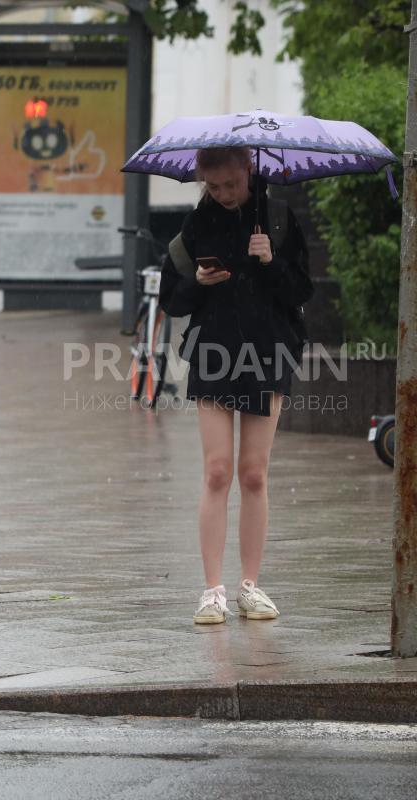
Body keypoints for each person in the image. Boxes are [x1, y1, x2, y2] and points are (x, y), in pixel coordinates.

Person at [159, 146, 313, 626]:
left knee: (253, 474)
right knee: (217, 471)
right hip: (213, 353)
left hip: (268, 352)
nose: (222, 194)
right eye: (213, 186)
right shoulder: (195, 228)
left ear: (250, 168)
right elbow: (172, 299)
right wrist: (199, 282)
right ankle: (212, 590)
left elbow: (302, 293)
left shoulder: (280, 219)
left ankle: (250, 585)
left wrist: (270, 262)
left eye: (230, 184)